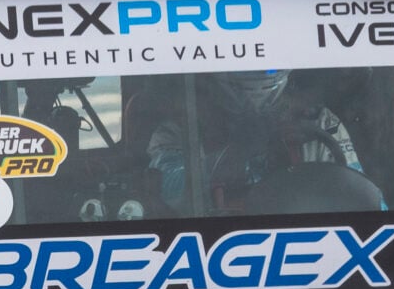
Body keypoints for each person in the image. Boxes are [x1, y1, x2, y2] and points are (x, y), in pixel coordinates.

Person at [143, 70, 363, 213]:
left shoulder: (318, 121)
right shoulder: (181, 130)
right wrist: (239, 150)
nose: (258, 71)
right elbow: (168, 189)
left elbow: (364, 199)